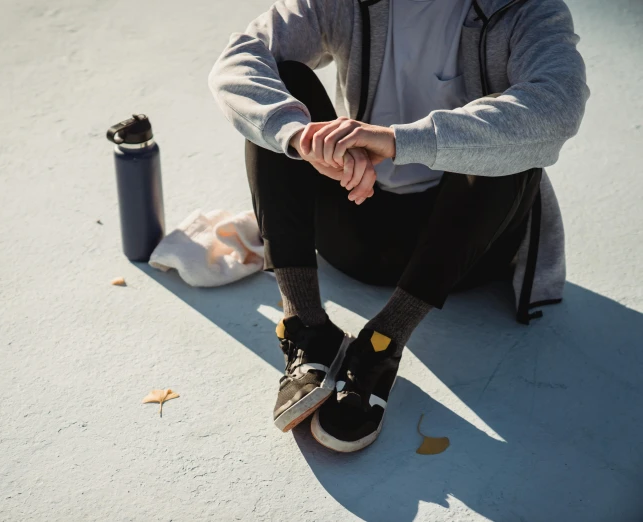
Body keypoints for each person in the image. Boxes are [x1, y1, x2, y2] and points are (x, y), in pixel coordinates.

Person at [208, 0, 588, 452]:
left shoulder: (525, 9)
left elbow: (559, 103)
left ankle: (383, 343)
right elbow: (239, 60)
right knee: (282, 91)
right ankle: (306, 326)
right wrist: (303, 140)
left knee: (511, 134)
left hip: (468, 243)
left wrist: (396, 141)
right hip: (356, 218)